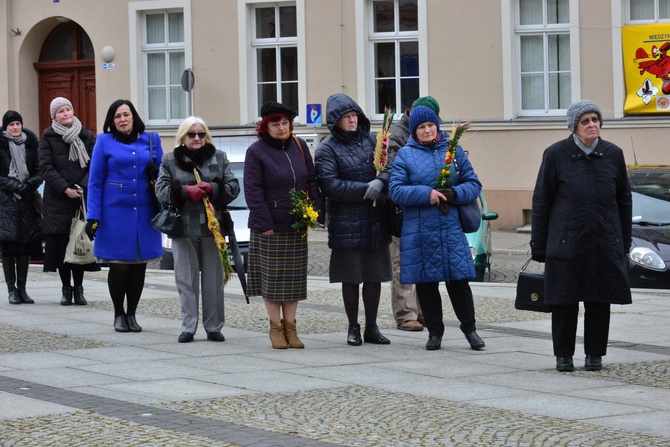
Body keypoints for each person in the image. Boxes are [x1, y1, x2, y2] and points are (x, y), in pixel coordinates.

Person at [531, 100, 632, 372]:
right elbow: (541, 201)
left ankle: (594, 354)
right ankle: (563, 355)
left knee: (599, 299)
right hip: (566, 242)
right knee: (564, 300)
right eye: (585, 121)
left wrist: (623, 240)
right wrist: (538, 245)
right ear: (574, 126)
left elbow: (623, 200)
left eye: (596, 120)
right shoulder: (555, 154)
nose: (592, 125)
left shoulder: (613, 154)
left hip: (603, 241)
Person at [389, 106, 485, 351]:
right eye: (421, 127)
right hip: (420, 230)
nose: (427, 130)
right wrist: (425, 194)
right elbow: (396, 190)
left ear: (437, 125)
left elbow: (474, 184)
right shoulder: (405, 155)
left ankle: (470, 330)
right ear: (414, 131)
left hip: (450, 228)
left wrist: (454, 193)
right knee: (426, 283)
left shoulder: (453, 150)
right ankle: (435, 332)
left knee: (459, 282)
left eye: (430, 125)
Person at [315, 93, 392, 347]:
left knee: (374, 275)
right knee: (351, 277)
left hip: (374, 218)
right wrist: (364, 189)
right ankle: (353, 326)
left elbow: (391, 166)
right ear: (336, 121)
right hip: (346, 222)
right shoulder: (327, 148)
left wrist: (381, 181)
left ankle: (372, 326)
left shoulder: (372, 140)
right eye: (346, 117)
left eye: (354, 116)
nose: (352, 121)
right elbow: (331, 185)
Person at [245, 101, 323, 349]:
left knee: (293, 281)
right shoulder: (256, 152)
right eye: (275, 124)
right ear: (265, 126)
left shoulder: (299, 146)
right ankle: (276, 328)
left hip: (296, 224)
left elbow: (311, 179)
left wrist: (317, 213)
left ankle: (291, 327)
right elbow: (253, 190)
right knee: (273, 280)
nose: (281, 128)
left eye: (285, 123)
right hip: (270, 226)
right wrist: (264, 221)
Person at [155, 117, 240, 343]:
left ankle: (213, 326)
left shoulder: (219, 157)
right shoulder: (170, 160)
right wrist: (184, 191)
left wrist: (213, 188)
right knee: (185, 279)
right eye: (191, 134)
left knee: (214, 280)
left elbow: (233, 187)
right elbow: (161, 190)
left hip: (213, 228)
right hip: (183, 227)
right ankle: (188, 326)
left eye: (201, 134)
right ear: (183, 136)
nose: (196, 138)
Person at [85, 99, 163, 333]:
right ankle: (119, 313)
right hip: (114, 213)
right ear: (112, 121)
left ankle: (132, 314)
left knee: (139, 266)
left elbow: (163, 175)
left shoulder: (151, 139)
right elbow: (95, 182)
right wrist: (93, 216)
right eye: (117, 116)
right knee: (119, 266)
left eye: (126, 115)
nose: (122, 119)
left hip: (145, 211)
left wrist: (156, 171)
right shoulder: (104, 141)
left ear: (133, 117)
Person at [386, 96, 441, 332]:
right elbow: (395, 171)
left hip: (426, 208)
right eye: (424, 122)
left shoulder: (431, 133)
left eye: (432, 123)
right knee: (402, 261)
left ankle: (423, 311)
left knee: (424, 260)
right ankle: (406, 313)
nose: (428, 128)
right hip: (401, 209)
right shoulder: (398, 134)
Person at [39, 97, 99, 306]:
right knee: (63, 245)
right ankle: (66, 289)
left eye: (68, 110)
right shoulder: (47, 137)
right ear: (54, 116)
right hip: (58, 199)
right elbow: (45, 167)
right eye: (61, 111)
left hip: (80, 198)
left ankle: (79, 289)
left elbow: (94, 165)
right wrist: (64, 188)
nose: (66, 114)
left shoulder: (87, 136)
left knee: (79, 242)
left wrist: (81, 187)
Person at [0, 110, 43, 305]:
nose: (15, 128)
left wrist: (29, 185)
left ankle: (23, 289)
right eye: (11, 125)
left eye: (18, 124)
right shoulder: (1, 145)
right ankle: (11, 290)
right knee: (8, 246)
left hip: (26, 201)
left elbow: (38, 170)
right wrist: (14, 186)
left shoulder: (31, 144)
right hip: (5, 202)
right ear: (5, 127)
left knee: (25, 246)